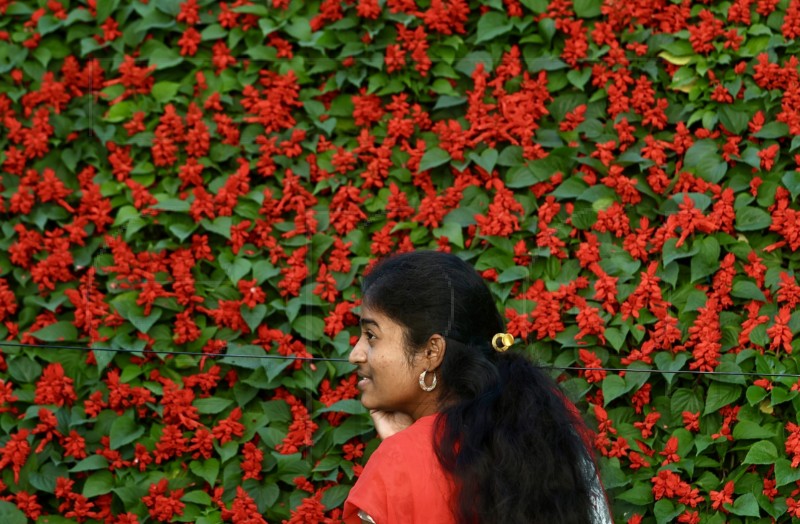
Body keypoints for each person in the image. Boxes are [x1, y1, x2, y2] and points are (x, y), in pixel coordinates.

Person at [342, 251, 612, 524]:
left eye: (371, 336)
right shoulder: (549, 423)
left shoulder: (396, 464)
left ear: (431, 352)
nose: (356, 354)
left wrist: (404, 455)